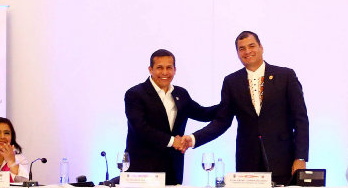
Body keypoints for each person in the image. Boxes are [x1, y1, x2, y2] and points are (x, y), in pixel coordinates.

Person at [180, 31, 309, 185]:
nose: (247, 51)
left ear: (261, 47)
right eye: (242, 49)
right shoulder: (231, 82)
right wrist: (193, 139)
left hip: (283, 162)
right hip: (248, 164)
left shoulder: (285, 76)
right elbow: (222, 121)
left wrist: (300, 157)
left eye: (251, 46)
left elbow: (300, 119)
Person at [122, 49, 218, 185]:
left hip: (172, 169)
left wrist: (229, 103)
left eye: (169, 68)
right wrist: (173, 141)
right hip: (143, 170)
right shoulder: (135, 94)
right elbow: (140, 129)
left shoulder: (181, 93)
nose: (165, 72)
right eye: (159, 68)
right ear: (150, 69)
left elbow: (203, 113)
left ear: (175, 69)